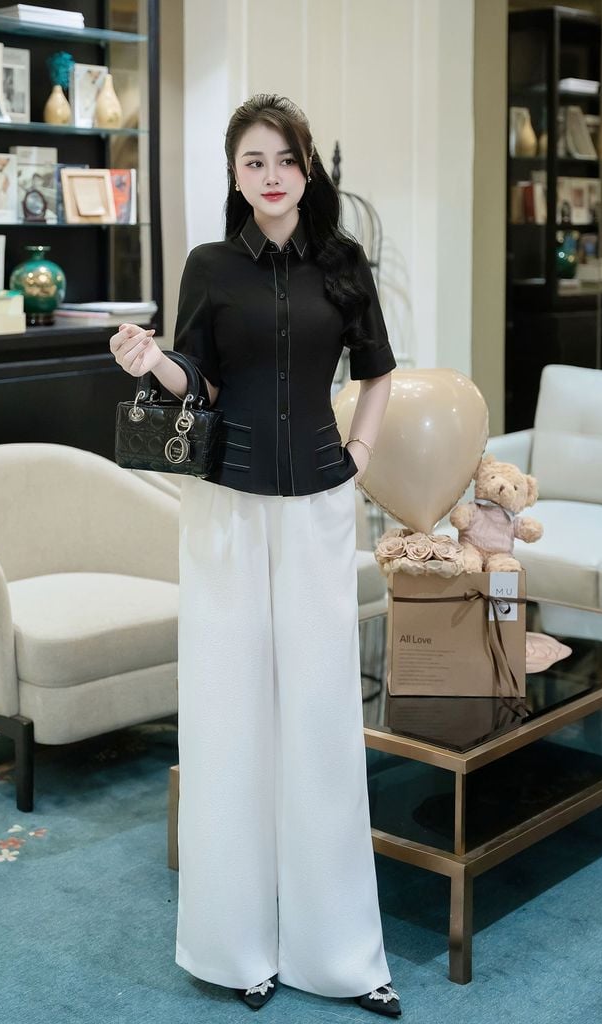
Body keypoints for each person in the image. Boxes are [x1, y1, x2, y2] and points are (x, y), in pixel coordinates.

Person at [109, 93, 401, 1017]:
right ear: (235, 177)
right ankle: (235, 949)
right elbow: (195, 381)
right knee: (228, 719)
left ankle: (340, 954)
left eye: (283, 160)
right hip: (225, 506)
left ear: (305, 171)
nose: (269, 176)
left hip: (318, 504)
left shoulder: (342, 265)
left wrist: (359, 455)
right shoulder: (209, 266)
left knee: (319, 721)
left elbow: (377, 372)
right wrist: (151, 361)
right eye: (251, 162)